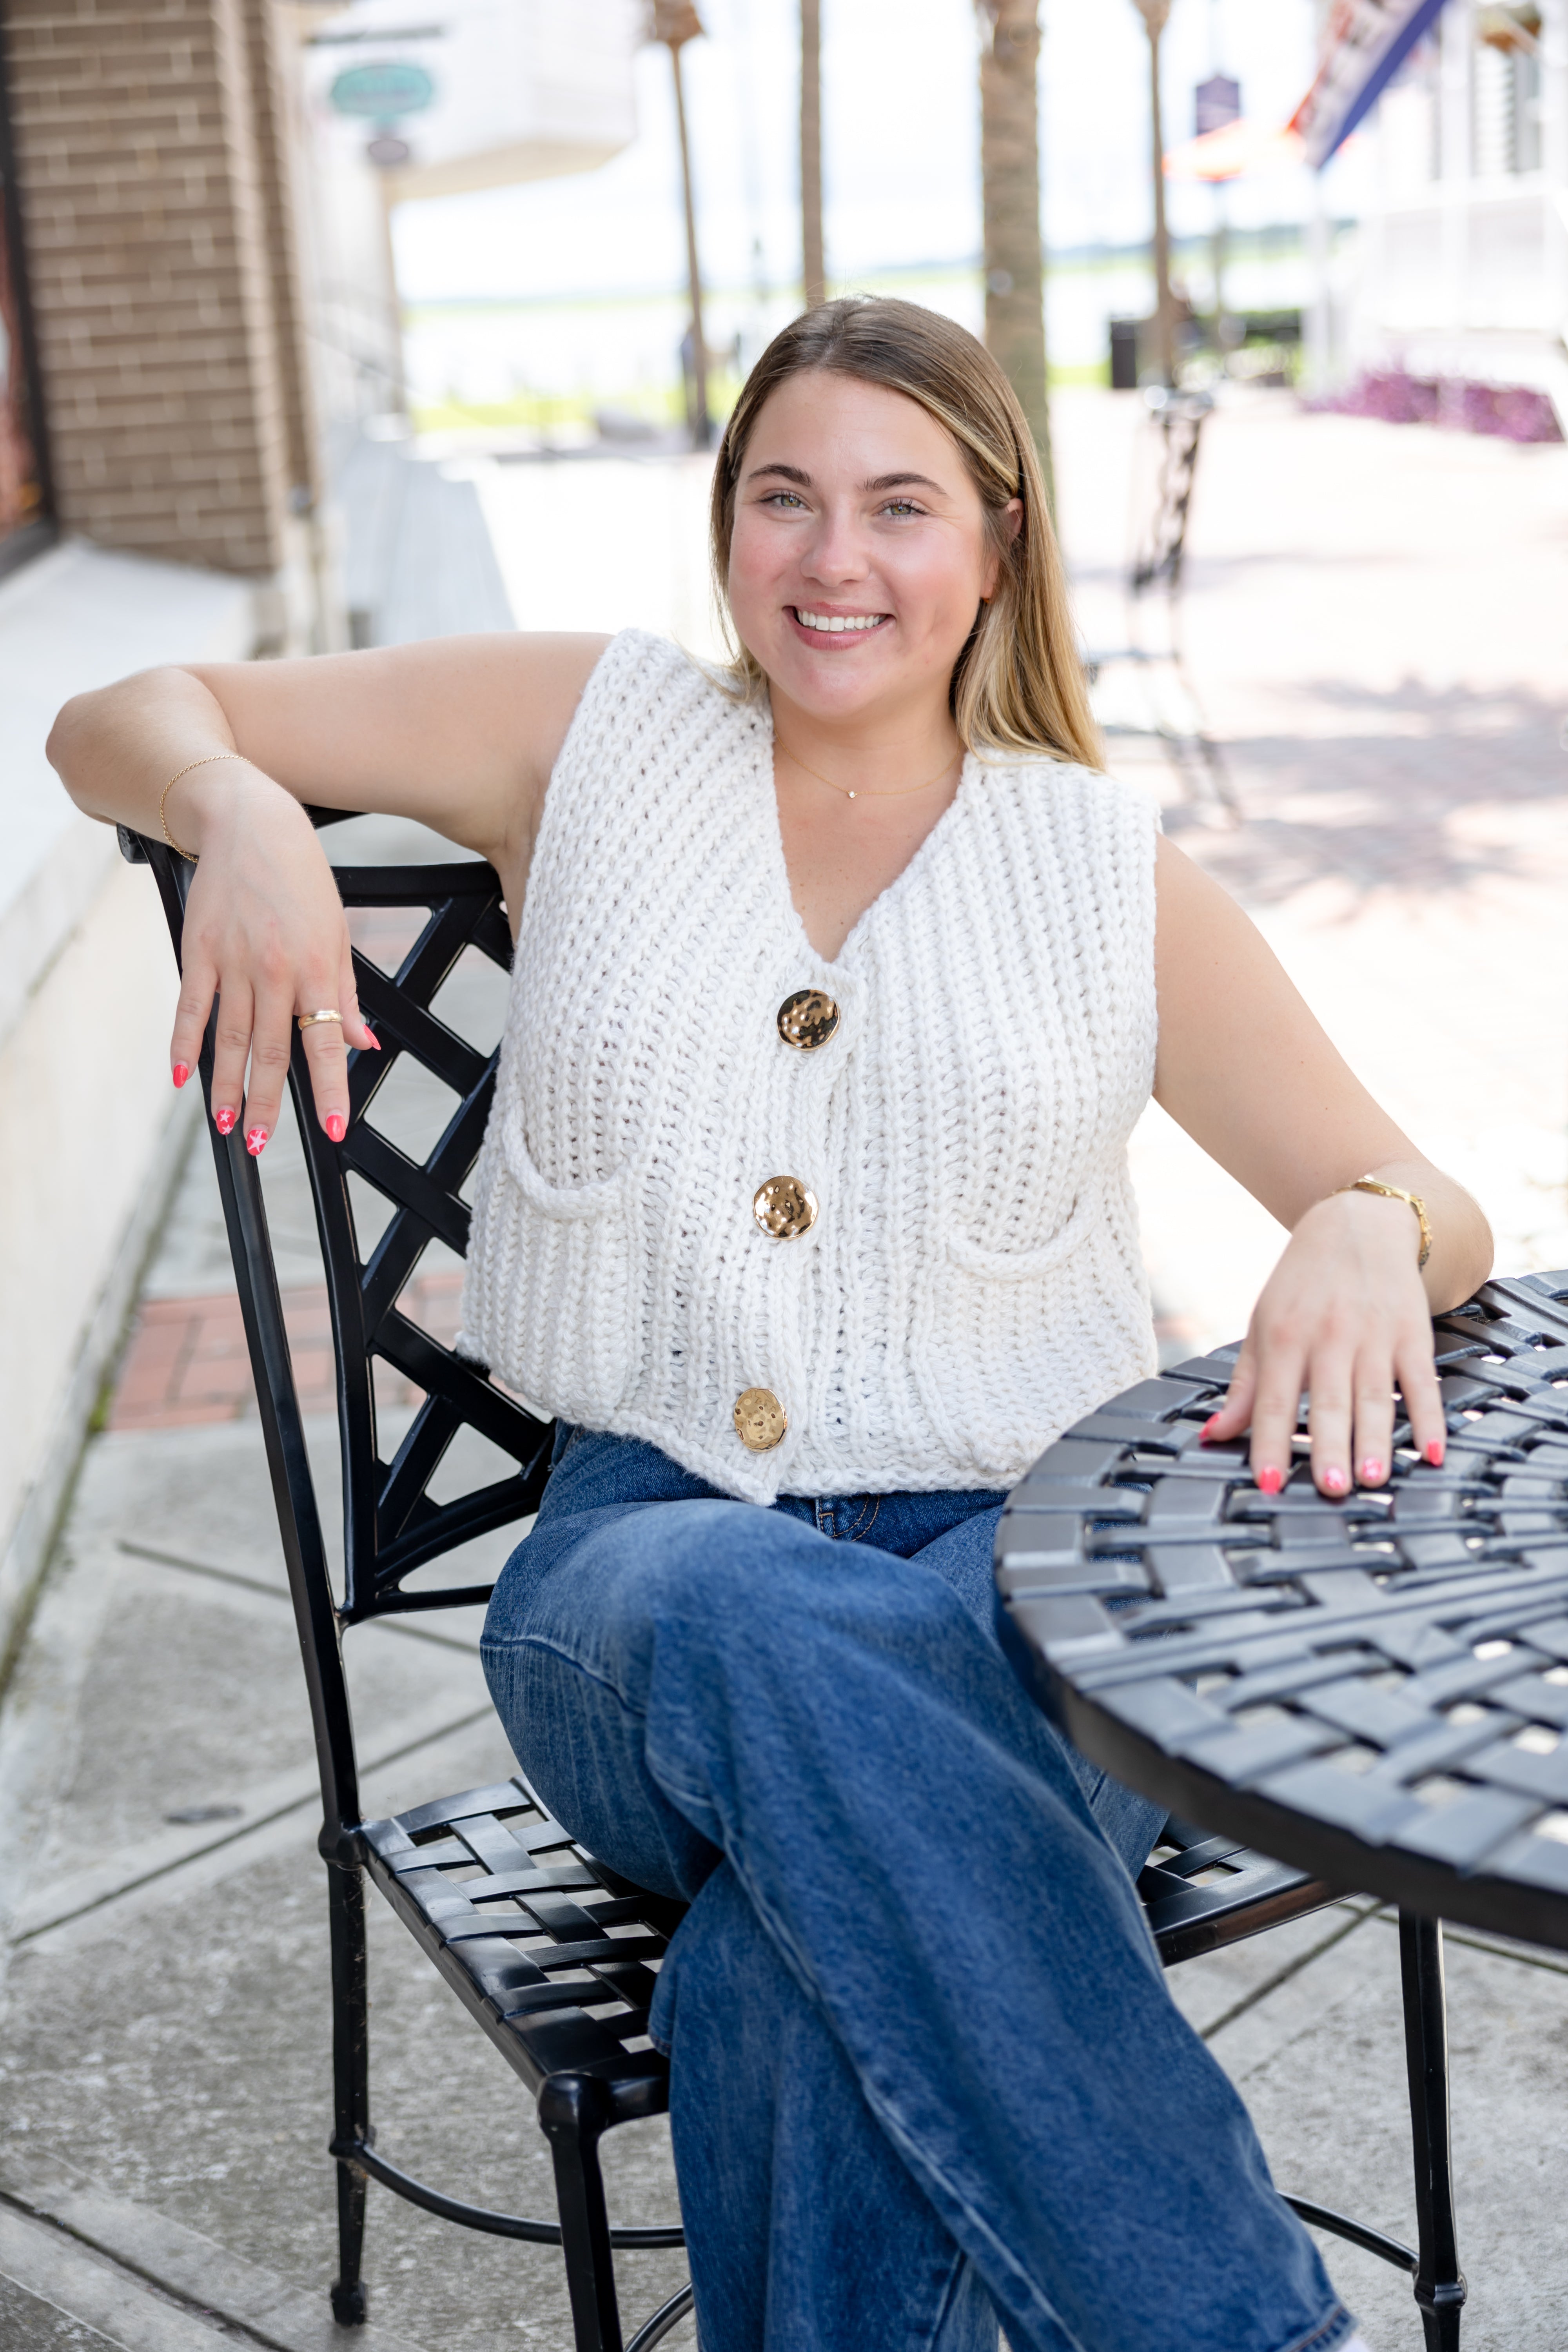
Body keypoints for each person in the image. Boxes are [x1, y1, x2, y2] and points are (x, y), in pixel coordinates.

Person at [50, 297, 1488, 2352]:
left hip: (1039, 1587)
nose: (837, 560)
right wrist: (247, 811)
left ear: (997, 543)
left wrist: (1361, 1223)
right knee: (746, 1612)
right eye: (785, 498)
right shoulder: (585, 738)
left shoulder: (1098, 866)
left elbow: (1429, 1202)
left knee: (779, 1955)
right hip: (638, 1578)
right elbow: (118, 706)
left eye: (902, 507)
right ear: (726, 528)